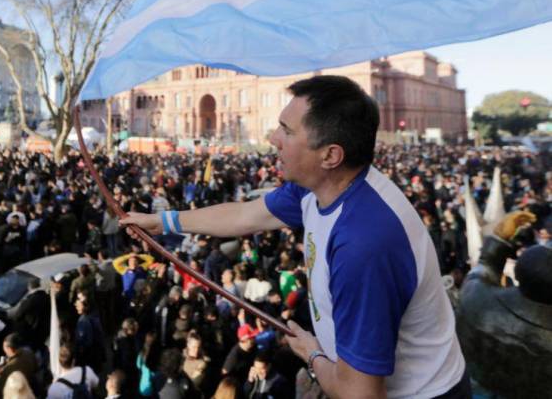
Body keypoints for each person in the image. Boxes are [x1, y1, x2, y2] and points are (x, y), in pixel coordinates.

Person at [123, 76, 469, 399]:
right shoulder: (319, 187)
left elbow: (360, 392)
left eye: (286, 131)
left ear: (330, 155)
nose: (273, 139)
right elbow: (245, 214)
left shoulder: (364, 244)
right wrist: (163, 221)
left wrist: (313, 354)